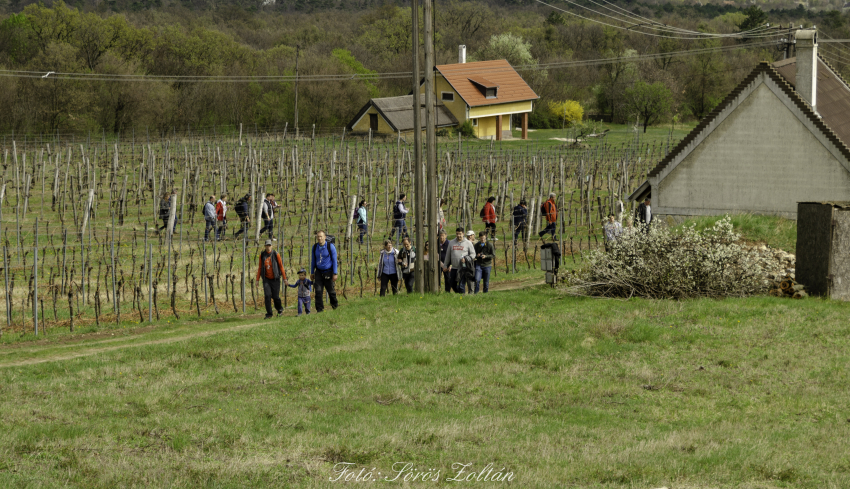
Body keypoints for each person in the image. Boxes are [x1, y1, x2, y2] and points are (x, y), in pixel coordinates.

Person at [255, 239, 287, 319]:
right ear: (265, 246)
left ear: (272, 246)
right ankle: (269, 314)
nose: (268, 247)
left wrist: (284, 278)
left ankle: (279, 310)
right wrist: (257, 280)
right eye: (267, 245)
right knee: (267, 296)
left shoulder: (276, 254)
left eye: (269, 245)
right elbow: (259, 268)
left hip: (275, 279)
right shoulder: (262, 255)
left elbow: (281, 267)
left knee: (276, 296)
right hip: (266, 279)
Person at [310, 230, 339, 312]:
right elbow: (313, 260)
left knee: (331, 291)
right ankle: (319, 310)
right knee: (318, 292)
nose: (319, 238)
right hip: (318, 272)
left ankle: (335, 306)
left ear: (325, 237)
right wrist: (312, 272)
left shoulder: (331, 246)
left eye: (321, 236)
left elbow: (334, 260)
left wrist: (335, 273)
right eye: (318, 237)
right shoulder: (315, 247)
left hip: (328, 272)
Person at [442, 227, 476, 294]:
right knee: (452, 284)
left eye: (460, 234)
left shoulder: (468, 243)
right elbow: (448, 255)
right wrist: (445, 265)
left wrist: (466, 259)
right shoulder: (451, 243)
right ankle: (459, 294)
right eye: (457, 234)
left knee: (461, 285)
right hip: (454, 267)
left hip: (463, 268)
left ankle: (462, 297)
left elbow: (473, 254)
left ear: (463, 234)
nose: (458, 235)